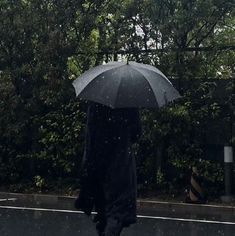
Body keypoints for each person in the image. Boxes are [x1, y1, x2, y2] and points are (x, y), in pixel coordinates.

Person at [75, 101, 142, 236]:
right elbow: (136, 132)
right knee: (117, 211)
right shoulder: (128, 103)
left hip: (97, 162)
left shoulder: (96, 103)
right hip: (120, 163)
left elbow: (90, 135)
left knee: (103, 212)